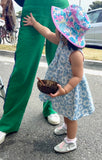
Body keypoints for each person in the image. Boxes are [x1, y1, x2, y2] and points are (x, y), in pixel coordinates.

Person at [23, 4, 95, 153]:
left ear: (66, 32)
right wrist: (35, 23)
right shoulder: (61, 41)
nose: (55, 28)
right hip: (63, 87)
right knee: (65, 111)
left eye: (59, 26)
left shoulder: (76, 54)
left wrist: (65, 89)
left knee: (71, 115)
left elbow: (77, 76)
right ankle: (66, 126)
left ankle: (71, 141)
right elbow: (47, 33)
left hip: (71, 89)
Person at [0, 0, 69, 144]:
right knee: (23, 67)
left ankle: (50, 108)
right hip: (33, 6)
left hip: (60, 7)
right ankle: (8, 121)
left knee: (58, 65)